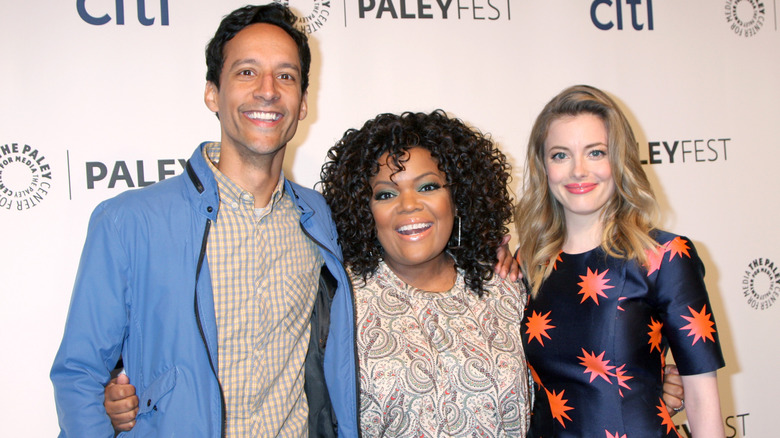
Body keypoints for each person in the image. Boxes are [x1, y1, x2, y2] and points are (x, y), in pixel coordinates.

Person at [50, 4, 360, 437]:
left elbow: (405, 247)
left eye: (285, 75)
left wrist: (489, 247)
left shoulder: (317, 218)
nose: (268, 90)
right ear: (213, 93)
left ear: (303, 102)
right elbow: (79, 375)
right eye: (247, 72)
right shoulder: (130, 222)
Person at [514, 85, 725, 437]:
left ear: (619, 158)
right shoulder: (527, 264)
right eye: (560, 155)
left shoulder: (664, 257)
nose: (578, 171)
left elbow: (703, 401)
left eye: (596, 153)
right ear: (543, 166)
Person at [320, 110, 531, 436]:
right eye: (386, 194)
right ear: (365, 210)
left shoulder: (506, 287)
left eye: (428, 187)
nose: (408, 205)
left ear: (457, 199)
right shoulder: (339, 300)